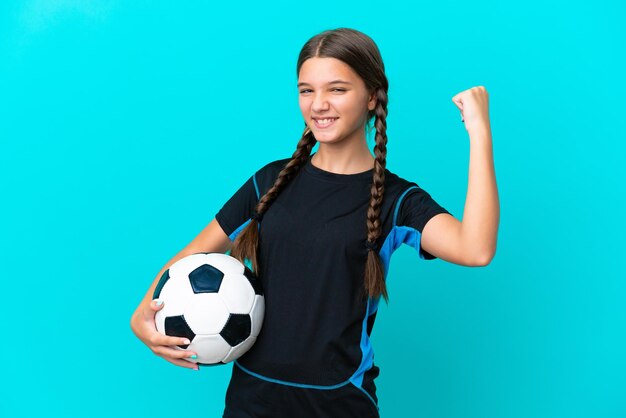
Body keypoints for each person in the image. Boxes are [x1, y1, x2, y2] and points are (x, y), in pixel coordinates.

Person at [130, 27, 499, 418]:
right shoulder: (270, 181)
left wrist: (479, 133)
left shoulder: (397, 200)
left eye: (337, 89)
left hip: (340, 404)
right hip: (251, 403)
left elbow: (475, 249)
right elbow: (192, 255)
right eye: (306, 90)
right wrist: (142, 314)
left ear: (372, 96)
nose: (318, 104)